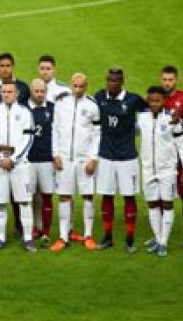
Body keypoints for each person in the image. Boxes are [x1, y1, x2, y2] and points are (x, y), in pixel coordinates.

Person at [93, 68, 146, 252]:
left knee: (129, 196)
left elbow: (153, 109)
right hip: (106, 156)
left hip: (127, 157)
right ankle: (108, 236)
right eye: (109, 80)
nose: (112, 84)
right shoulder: (99, 97)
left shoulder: (133, 100)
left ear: (122, 82)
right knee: (106, 195)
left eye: (115, 81)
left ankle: (130, 239)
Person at [49, 73, 101, 252]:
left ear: (86, 86)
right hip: (64, 158)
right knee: (64, 196)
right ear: (71, 85)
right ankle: (63, 237)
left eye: (81, 86)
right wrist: (55, 154)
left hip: (84, 159)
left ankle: (88, 235)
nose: (78, 89)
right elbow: (54, 129)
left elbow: (97, 134)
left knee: (87, 195)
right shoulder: (61, 104)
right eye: (75, 86)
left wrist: (93, 158)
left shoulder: (93, 106)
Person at [138, 86, 183, 257]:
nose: (154, 104)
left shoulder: (172, 119)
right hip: (147, 169)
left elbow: (181, 143)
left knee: (167, 204)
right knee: (152, 204)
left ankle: (163, 243)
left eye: (158, 101)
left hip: (167, 170)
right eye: (151, 100)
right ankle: (158, 237)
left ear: (163, 101)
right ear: (148, 100)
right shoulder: (141, 118)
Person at [0, 82, 36, 252]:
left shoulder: (25, 112)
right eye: (4, 91)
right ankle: (0, 238)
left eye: (10, 91)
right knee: (0, 203)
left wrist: (14, 159)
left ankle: (28, 238)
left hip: (19, 165)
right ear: (0, 93)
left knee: (25, 202)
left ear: (17, 93)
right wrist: (0, 158)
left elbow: (28, 138)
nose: (6, 94)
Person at [160, 65, 183, 250]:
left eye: (170, 80)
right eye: (164, 79)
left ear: (177, 80)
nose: (167, 83)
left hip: (182, 156)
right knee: (161, 196)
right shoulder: (155, 99)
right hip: (162, 157)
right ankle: (160, 235)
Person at [26, 79, 56, 246]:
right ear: (31, 91)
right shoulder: (23, 109)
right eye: (36, 91)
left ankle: (46, 232)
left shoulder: (52, 108)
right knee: (29, 197)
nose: (39, 94)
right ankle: (32, 229)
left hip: (46, 159)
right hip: (28, 160)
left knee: (46, 196)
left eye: (42, 91)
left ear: (46, 92)